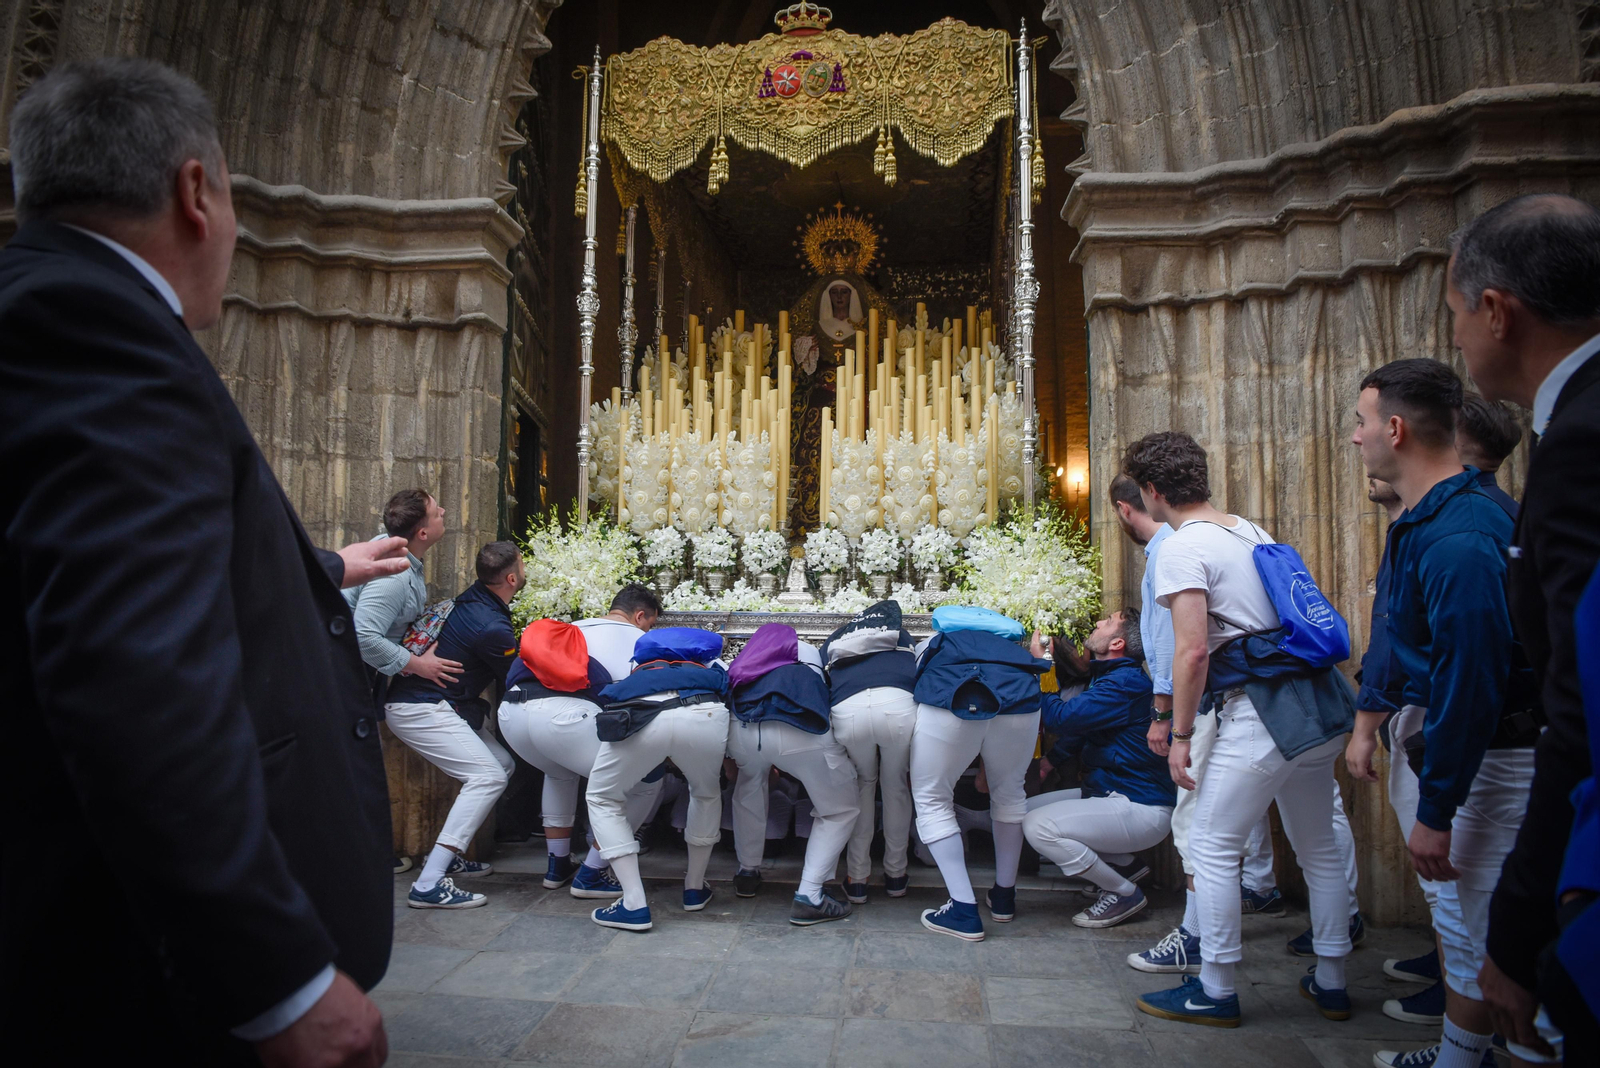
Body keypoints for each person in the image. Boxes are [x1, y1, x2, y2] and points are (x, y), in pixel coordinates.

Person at [3, 57, 400, 1064]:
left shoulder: (39, 303)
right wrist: (279, 980)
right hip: (126, 970)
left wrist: (327, 567)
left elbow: (95, 564)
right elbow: (131, 674)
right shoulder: (94, 326)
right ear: (196, 192)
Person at [1125, 432, 1355, 1029]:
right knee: (1319, 847)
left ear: (1151, 490)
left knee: (1211, 845)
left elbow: (1193, 651)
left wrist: (1179, 735)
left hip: (1262, 710)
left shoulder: (1181, 546)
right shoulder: (1250, 530)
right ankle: (1332, 980)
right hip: (1319, 704)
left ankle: (1216, 987)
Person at [1447, 194, 1600, 1063]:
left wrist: (1523, 923)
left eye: (1458, 313)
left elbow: (1581, 705)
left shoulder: (1582, 438)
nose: (1459, 337)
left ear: (1498, 311)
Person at [1351, 360, 1538, 1068]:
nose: (1356, 437)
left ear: (1396, 430)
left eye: (1362, 422)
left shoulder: (1460, 534)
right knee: (1466, 938)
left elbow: (1474, 679)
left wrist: (1438, 806)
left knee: (1495, 950)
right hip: (1467, 757)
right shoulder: (1431, 519)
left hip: (1491, 765)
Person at [1112, 475, 1293, 973]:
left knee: (1198, 825)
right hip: (1274, 692)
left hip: (1217, 695)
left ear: (1136, 502)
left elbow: (1181, 646)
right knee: (1271, 820)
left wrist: (1168, 718)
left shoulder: (1176, 547)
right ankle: (1278, 903)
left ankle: (1198, 942)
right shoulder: (1245, 532)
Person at [1346, 477, 1447, 1029]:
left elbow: (1391, 631)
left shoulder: (1427, 530)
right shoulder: (1409, 530)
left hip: (1425, 711)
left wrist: (1367, 722)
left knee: (1442, 864)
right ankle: (1446, 959)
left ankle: (1460, 999)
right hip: (1413, 707)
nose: (1359, 443)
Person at [497, 585, 663, 897]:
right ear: (640, 616)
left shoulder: (570, 627)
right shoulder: (639, 639)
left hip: (511, 714)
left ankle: (558, 864)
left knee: (559, 771)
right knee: (646, 780)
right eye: (650, 623)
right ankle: (593, 872)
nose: (648, 630)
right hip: (565, 718)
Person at [384, 542, 524, 909]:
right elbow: (514, 675)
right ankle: (429, 883)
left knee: (501, 765)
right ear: (512, 579)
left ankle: (445, 857)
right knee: (488, 777)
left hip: (434, 703)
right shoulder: (492, 626)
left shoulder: (472, 599)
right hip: (420, 709)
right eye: (522, 566)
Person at [1023, 609, 1175, 928]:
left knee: (1038, 827)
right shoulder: (1110, 676)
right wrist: (1051, 761)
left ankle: (1122, 892)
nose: (1097, 623)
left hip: (1138, 805)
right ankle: (1126, 866)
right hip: (1109, 792)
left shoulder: (1124, 683)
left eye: (1106, 622)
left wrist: (1043, 665)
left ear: (1117, 643)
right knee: (1019, 814)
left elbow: (1061, 719)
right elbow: (1083, 729)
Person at [909, 606, 1052, 941]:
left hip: (951, 697)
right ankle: (1004, 897)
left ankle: (962, 908)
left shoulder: (937, 641)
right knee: (1010, 793)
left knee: (932, 797)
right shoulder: (1012, 651)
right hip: (1019, 696)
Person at [586, 628, 731, 932]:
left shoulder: (639, 667)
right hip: (704, 712)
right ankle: (694, 888)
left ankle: (633, 902)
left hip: (642, 713)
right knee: (705, 794)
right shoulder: (711, 667)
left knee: (602, 797)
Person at [725, 624, 860, 925]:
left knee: (749, 786)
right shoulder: (806, 651)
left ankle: (747, 871)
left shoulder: (745, 659)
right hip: (798, 728)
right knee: (839, 811)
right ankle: (810, 894)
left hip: (743, 730)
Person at [821, 599, 920, 902]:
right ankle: (896, 875)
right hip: (897, 705)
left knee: (863, 784)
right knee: (895, 786)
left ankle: (858, 878)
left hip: (849, 709)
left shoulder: (838, 636)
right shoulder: (901, 635)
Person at [344, 488, 463, 694]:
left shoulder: (389, 544)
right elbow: (364, 637)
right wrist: (420, 666)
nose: (443, 511)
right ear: (423, 533)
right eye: (436, 512)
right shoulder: (394, 576)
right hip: (346, 673)